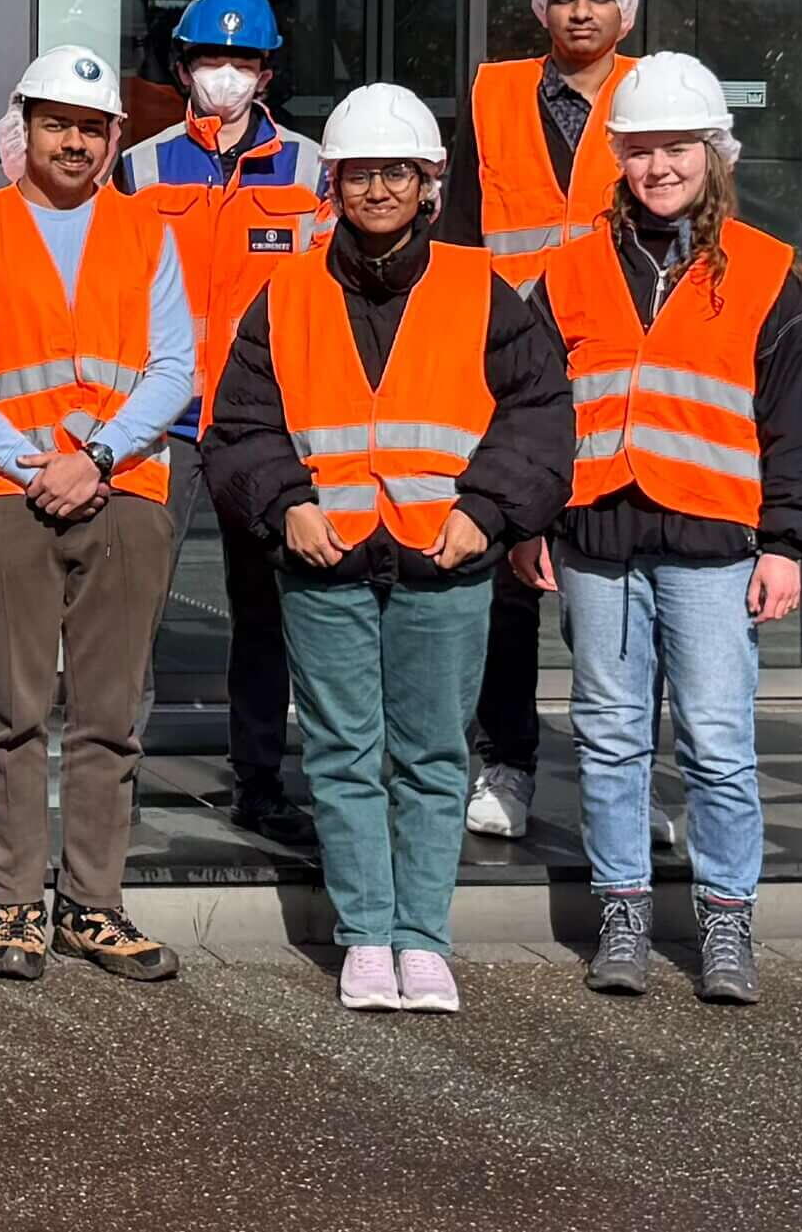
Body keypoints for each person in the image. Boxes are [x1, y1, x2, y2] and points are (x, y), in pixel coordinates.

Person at [201, 85, 572, 1014]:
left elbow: (540, 417)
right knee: (340, 752)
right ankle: (367, 934)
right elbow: (240, 425)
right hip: (324, 559)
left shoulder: (480, 290)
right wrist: (284, 503)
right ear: (333, 184)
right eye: (359, 172)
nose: (376, 188)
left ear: (428, 184)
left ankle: (424, 939)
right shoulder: (283, 295)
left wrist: (488, 510)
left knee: (433, 755)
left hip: (445, 561)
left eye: (393, 172)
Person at [524, 56, 802, 1006]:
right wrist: (529, 520)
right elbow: (534, 409)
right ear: (617, 157)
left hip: (712, 546)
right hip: (598, 538)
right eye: (641, 149)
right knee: (611, 734)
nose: (659, 165)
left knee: (715, 740)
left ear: (714, 154)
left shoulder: (766, 272)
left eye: (677, 147)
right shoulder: (569, 268)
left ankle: (725, 922)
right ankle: (621, 910)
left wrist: (788, 542)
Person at [0, 45, 194, 985]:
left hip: (124, 494)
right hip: (8, 495)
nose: (74, 140)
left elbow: (174, 369)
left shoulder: (148, 231)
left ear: (116, 136)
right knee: (14, 712)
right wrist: (35, 462)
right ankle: (12, 904)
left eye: (91, 126)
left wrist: (99, 457)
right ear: (24, 129)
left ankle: (91, 905)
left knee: (111, 715)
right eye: (57, 123)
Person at [446, 0, 644, 842]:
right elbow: (458, 236)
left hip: (622, 365)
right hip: (512, 369)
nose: (579, 12)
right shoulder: (492, 97)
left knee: (621, 579)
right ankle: (507, 762)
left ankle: (626, 790)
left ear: (627, 9)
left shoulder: (657, 99)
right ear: (539, 5)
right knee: (510, 576)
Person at [115, 0, 329, 845]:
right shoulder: (139, 165)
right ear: (182, 67)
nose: (226, 75)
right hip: (161, 419)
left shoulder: (311, 171)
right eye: (211, 59)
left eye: (241, 61)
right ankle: (114, 777)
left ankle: (259, 778)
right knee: (132, 603)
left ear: (267, 70)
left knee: (263, 605)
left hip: (259, 425)